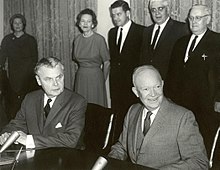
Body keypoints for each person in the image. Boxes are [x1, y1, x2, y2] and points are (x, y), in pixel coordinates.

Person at [108, 65, 209, 169]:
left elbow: (199, 162)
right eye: (146, 89)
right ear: (136, 92)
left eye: (157, 87)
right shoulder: (132, 111)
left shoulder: (183, 117)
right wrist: (107, 163)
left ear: (162, 84)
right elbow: (122, 147)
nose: (153, 94)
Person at [165, 4, 220, 156]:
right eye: (191, 18)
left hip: (205, 103)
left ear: (208, 19)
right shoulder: (180, 42)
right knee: (181, 140)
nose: (194, 22)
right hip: (180, 102)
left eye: (198, 18)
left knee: (203, 142)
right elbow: (172, 73)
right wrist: (168, 97)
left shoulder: (217, 41)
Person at [0, 57, 87, 149]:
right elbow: (17, 124)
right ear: (38, 80)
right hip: (36, 156)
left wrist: (29, 140)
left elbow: (71, 139)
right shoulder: (30, 99)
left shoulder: (77, 102)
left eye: (59, 77)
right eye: (49, 79)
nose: (56, 84)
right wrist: (6, 135)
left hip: (67, 157)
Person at [108, 0, 145, 141]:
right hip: (116, 84)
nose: (116, 18)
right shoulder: (112, 33)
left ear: (128, 13)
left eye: (119, 14)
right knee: (118, 115)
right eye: (113, 15)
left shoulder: (141, 31)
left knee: (133, 116)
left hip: (132, 84)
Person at [0, 14, 38, 120]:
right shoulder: (7, 39)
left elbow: (34, 59)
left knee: (25, 100)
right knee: (11, 102)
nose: (17, 25)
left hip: (27, 75)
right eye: (15, 23)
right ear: (12, 25)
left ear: (23, 24)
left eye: (19, 22)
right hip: (12, 74)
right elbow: (2, 58)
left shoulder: (30, 40)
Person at [139, 0, 188, 80]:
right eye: (153, 10)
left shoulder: (181, 29)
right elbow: (143, 59)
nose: (157, 13)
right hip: (150, 82)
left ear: (167, 9)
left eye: (160, 9)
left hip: (171, 83)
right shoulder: (146, 31)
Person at [72, 8, 110, 108]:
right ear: (79, 24)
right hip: (81, 78)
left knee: (96, 107)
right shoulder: (77, 40)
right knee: (80, 107)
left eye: (89, 21)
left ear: (93, 24)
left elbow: (107, 62)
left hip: (95, 78)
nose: (85, 24)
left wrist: (102, 78)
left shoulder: (99, 39)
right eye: (83, 21)